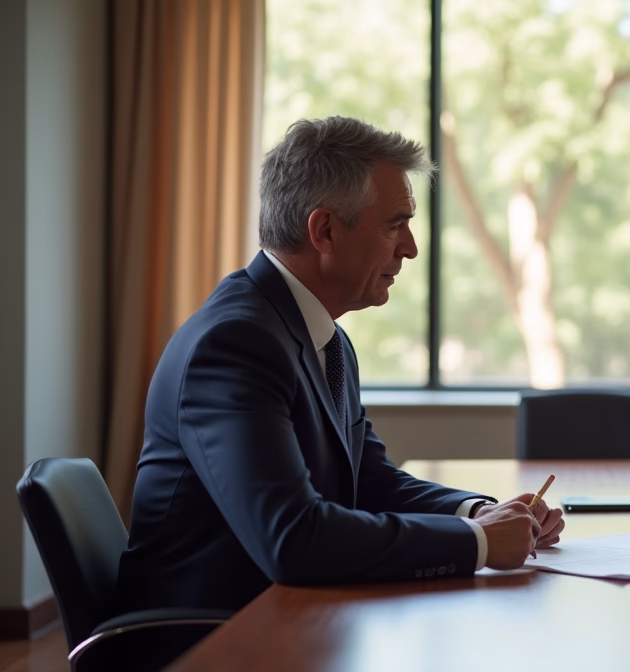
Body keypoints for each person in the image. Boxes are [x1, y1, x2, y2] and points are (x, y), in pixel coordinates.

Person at [117, 117, 565, 614]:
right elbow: (293, 539)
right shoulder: (235, 344)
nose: (411, 248)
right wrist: (477, 543)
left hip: (287, 615)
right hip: (208, 636)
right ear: (325, 230)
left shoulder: (323, 338)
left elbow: (368, 481)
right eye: (395, 224)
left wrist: (479, 512)